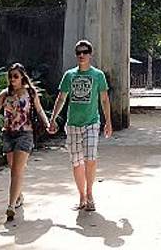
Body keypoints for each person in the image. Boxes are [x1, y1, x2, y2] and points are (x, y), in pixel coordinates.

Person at [0, 62, 53, 220]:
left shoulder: (30, 93)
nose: (12, 79)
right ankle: (19, 195)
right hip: (8, 134)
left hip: (25, 134)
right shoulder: (5, 94)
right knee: (13, 168)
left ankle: (11, 205)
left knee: (16, 170)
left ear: (22, 77)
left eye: (15, 76)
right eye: (10, 76)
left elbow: (39, 110)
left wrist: (48, 124)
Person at [49, 39, 112, 211]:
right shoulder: (69, 75)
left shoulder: (98, 75)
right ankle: (82, 196)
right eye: (78, 52)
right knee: (77, 162)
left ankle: (90, 194)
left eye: (85, 52)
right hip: (73, 124)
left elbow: (104, 99)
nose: (81, 55)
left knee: (90, 158)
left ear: (90, 54)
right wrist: (53, 119)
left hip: (91, 122)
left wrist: (108, 122)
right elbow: (61, 98)